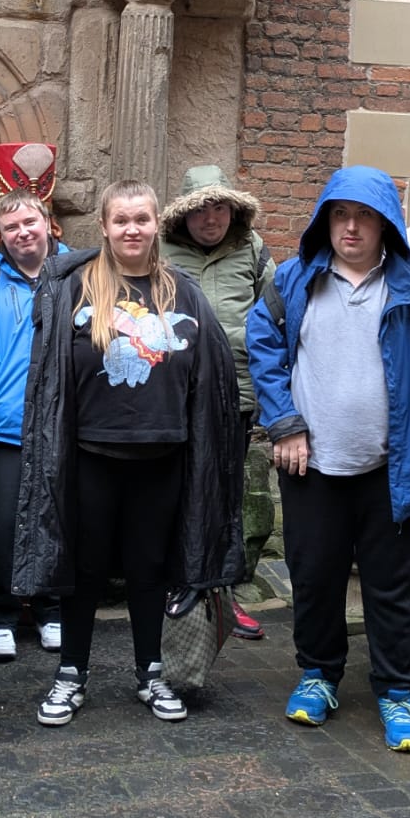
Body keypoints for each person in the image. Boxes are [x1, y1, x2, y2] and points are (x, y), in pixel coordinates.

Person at [246, 167, 410, 752]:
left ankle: (396, 689)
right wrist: (285, 425)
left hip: (391, 469)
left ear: (386, 225)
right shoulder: (293, 281)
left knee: (392, 586)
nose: (350, 227)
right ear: (325, 221)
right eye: (340, 215)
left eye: (364, 216)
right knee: (315, 577)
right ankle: (319, 675)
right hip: (312, 466)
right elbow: (263, 352)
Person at [13, 179, 244, 727]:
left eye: (141, 219)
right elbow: (49, 375)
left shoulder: (182, 292)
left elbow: (211, 381)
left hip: (163, 455)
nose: (132, 229)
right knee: (85, 569)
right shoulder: (76, 289)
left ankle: (151, 673)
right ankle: (71, 673)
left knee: (148, 569)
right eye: (121, 220)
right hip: (91, 454)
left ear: (156, 222)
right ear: (105, 227)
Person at [160, 164, 276, 640]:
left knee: (229, 498)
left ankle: (224, 595)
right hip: (175, 392)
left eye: (220, 207)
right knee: (178, 493)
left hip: (237, 391)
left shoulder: (251, 249)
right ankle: (178, 586)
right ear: (184, 216)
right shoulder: (160, 251)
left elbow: (274, 316)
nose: (212, 218)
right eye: (201, 209)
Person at [0, 189, 68, 660]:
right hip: (7, 424)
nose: (22, 232)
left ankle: (51, 609)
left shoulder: (76, 278)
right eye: (11, 227)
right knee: (1, 522)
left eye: (30, 222)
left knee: (57, 520)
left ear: (47, 224)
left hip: (65, 423)